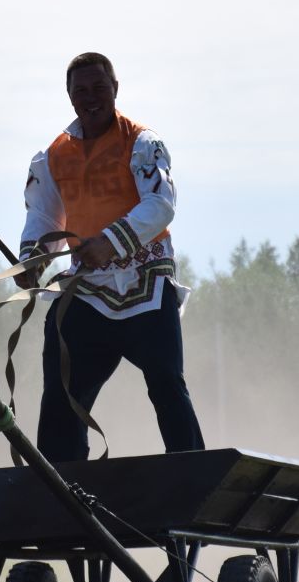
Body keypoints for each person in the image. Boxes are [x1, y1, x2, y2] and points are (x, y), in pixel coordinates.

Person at [18, 51, 204, 466]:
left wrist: (110, 242)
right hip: (87, 293)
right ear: (69, 96)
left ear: (115, 89)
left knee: (167, 383)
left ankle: (193, 479)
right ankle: (61, 492)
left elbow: (160, 205)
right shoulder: (51, 157)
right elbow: (43, 217)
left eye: (99, 88)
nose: (91, 98)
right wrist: (32, 259)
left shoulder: (143, 142)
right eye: (81, 91)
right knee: (62, 394)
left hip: (146, 288)